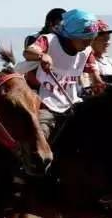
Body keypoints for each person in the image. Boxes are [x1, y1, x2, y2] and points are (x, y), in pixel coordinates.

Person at [22, 8, 104, 141]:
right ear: (71, 35)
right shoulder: (49, 40)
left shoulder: (86, 51)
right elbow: (28, 52)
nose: (88, 43)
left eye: (91, 39)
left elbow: (95, 76)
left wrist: (98, 82)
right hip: (45, 104)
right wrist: (42, 55)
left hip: (72, 104)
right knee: (39, 138)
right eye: (84, 39)